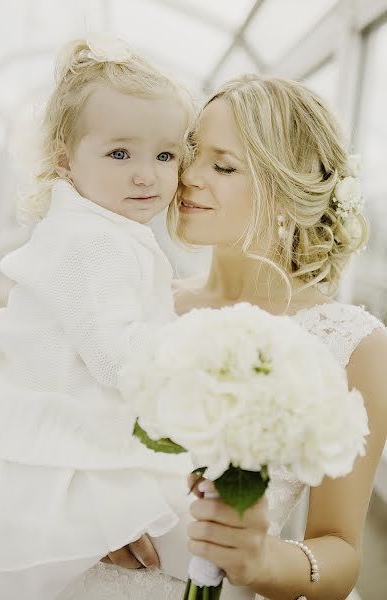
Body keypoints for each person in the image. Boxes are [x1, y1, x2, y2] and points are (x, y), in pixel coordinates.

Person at [62, 75, 387, 600]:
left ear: (286, 190)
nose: (186, 175)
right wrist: (70, 516)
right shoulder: (131, 304)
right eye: (188, 152)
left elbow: (341, 550)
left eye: (224, 165)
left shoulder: (353, 343)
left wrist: (261, 560)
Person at [0, 33, 196, 599]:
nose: (146, 175)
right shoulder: (93, 243)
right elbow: (116, 358)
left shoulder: (92, 227)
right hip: (67, 427)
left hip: (55, 405)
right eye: (120, 153)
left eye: (166, 155)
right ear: (64, 159)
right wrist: (193, 353)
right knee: (184, 527)